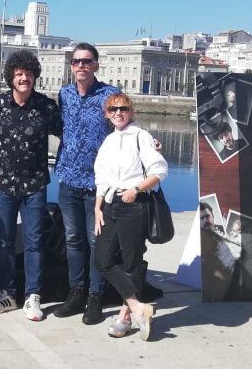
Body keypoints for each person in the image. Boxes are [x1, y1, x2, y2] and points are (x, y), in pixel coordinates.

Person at [0, 50, 62, 321]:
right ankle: (7, 294)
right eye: (18, 74)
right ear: (11, 77)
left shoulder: (46, 107)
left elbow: (70, 134)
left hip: (35, 185)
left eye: (28, 73)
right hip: (3, 184)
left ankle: (33, 296)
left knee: (34, 241)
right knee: (4, 241)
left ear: (34, 75)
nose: (24, 78)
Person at [53, 43, 119, 325]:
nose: (81, 65)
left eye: (86, 61)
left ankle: (95, 296)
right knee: (72, 239)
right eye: (77, 61)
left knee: (96, 241)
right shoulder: (64, 94)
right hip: (68, 179)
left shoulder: (109, 96)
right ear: (71, 66)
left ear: (96, 65)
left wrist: (150, 143)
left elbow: (126, 127)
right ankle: (76, 291)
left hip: (97, 186)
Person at [91, 93, 165, 340]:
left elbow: (159, 170)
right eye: (113, 109)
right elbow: (101, 177)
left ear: (130, 111)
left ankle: (125, 317)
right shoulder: (109, 140)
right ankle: (137, 306)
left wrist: (136, 190)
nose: (118, 113)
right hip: (111, 204)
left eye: (123, 109)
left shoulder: (141, 137)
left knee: (132, 262)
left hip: (134, 204)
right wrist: (98, 207)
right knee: (102, 259)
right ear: (107, 114)